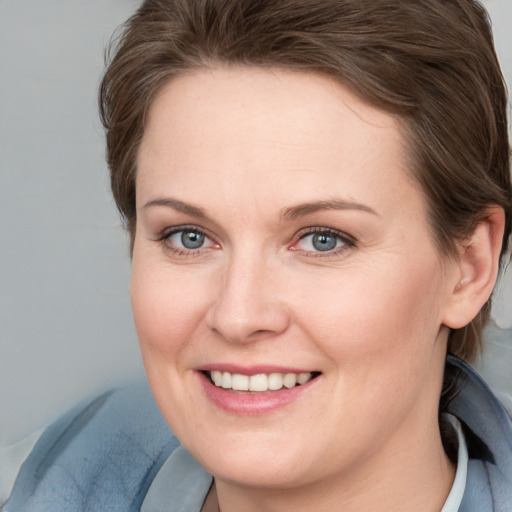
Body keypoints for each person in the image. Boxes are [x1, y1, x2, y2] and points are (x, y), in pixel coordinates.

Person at [6, 0, 512, 511]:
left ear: (468, 268)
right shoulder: (51, 480)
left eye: (322, 239)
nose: (238, 316)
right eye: (189, 236)